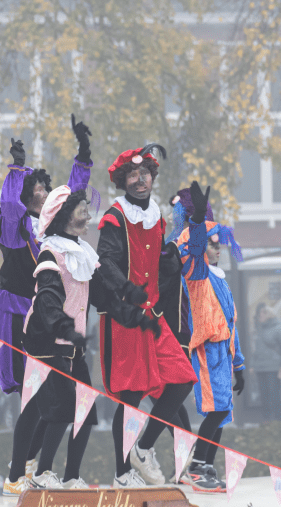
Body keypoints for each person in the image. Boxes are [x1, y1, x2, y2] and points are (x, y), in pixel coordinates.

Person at [15, 185, 156, 491]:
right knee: (63, 409)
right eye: (82, 212)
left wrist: (134, 316)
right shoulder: (51, 253)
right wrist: (63, 328)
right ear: (65, 217)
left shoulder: (83, 254)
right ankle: (41, 475)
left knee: (85, 412)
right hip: (47, 341)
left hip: (72, 344)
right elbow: (48, 299)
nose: (88, 217)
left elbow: (103, 298)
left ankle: (70, 477)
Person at [0, 116, 92, 492]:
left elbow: (72, 196)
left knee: (51, 399)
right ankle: (19, 474)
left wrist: (83, 156)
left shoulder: (53, 233)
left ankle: (29, 469)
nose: (45, 190)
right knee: (33, 396)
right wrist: (16, 170)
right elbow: (9, 204)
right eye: (39, 186)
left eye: (46, 186)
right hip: (17, 315)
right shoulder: (15, 227)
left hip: (48, 319)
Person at [97, 144, 198, 488]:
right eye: (133, 175)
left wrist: (169, 264)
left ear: (152, 177)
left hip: (154, 317)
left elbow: (155, 266)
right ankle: (122, 473)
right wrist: (127, 289)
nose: (140, 180)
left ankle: (143, 448)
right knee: (130, 398)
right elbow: (105, 261)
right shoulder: (115, 217)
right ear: (123, 181)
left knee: (182, 379)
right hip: (127, 317)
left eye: (145, 174)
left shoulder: (156, 216)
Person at [171, 182, 247, 492]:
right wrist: (198, 221)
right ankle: (196, 466)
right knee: (217, 410)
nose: (217, 249)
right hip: (207, 350)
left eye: (219, 244)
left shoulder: (221, 280)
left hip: (224, 354)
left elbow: (231, 325)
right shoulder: (197, 274)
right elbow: (195, 247)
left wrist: (239, 365)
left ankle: (205, 466)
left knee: (223, 413)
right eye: (211, 244)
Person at [252, 302, 281, 422]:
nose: (259, 316)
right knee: (263, 396)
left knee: (274, 394)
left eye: (262, 314)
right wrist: (253, 365)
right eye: (259, 314)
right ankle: (267, 419)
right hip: (260, 368)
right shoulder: (259, 330)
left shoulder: (278, 328)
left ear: (268, 315)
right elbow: (256, 350)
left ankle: (277, 419)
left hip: (273, 368)